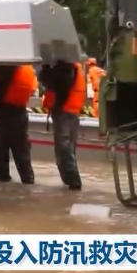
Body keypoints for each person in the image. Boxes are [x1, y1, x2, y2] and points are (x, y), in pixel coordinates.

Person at [39, 60, 86, 190]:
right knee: (68, 149)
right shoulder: (75, 68)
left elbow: (50, 81)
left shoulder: (65, 68)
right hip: (72, 112)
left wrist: (46, 68)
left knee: (64, 148)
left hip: (64, 112)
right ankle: (71, 183)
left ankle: (74, 182)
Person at [0, 65, 37, 184]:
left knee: (0, 149)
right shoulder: (29, 69)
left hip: (3, 112)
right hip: (21, 113)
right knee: (22, 150)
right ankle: (28, 179)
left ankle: (4, 179)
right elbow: (33, 89)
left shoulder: (2, 67)